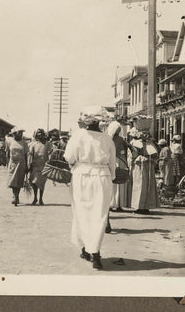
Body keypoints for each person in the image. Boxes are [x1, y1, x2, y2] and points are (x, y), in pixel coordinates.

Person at [64, 107, 116, 269]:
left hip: (81, 176)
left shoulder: (78, 136)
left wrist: (76, 166)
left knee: (81, 212)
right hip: (102, 177)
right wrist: (110, 176)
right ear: (99, 121)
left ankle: (86, 248)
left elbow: (69, 157)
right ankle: (95, 252)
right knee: (99, 214)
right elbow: (112, 163)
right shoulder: (108, 139)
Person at [130, 130, 160, 214]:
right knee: (148, 185)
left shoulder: (135, 143)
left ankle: (140, 206)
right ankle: (146, 206)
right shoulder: (151, 144)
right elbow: (155, 155)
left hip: (140, 166)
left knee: (140, 185)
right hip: (149, 166)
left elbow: (134, 155)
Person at [107, 121, 131, 211]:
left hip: (116, 161)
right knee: (118, 183)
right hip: (119, 161)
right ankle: (117, 204)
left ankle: (114, 203)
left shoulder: (110, 139)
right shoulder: (119, 140)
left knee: (115, 183)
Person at [28, 128, 51, 205]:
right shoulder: (33, 144)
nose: (40, 134)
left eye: (41, 133)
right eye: (38, 133)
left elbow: (50, 153)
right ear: (36, 135)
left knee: (41, 183)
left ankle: (41, 198)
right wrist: (29, 164)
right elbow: (30, 155)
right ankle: (35, 198)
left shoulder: (47, 144)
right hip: (35, 165)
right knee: (34, 182)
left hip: (44, 166)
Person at [7, 127, 29, 206]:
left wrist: (26, 165)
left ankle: (16, 196)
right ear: (14, 134)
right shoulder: (10, 141)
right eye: (18, 132)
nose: (20, 134)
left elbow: (26, 155)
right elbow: (8, 153)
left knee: (19, 181)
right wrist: (7, 164)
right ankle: (14, 196)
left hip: (21, 163)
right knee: (13, 180)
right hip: (12, 163)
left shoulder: (24, 143)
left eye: (21, 133)